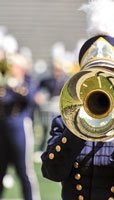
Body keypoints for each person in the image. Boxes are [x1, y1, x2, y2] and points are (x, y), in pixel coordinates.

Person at [41, 0, 114, 199]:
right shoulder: (64, 123)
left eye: (110, 77)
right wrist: (77, 129)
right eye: (95, 75)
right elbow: (52, 172)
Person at [0, 52, 41, 200]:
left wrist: (15, 85)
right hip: (2, 128)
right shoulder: (4, 82)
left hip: (19, 128)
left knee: (24, 171)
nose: (10, 68)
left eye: (13, 66)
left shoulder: (25, 83)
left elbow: (31, 98)